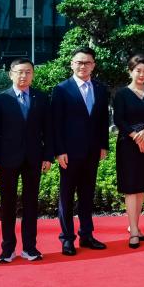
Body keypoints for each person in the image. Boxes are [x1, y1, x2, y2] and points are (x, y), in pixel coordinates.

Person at [0, 57, 51, 263]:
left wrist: (47, 156)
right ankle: (7, 249)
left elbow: (48, 130)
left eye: (28, 72)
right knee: (8, 204)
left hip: (33, 158)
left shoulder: (41, 98)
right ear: (11, 74)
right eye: (19, 72)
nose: (23, 76)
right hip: (7, 159)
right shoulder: (0, 99)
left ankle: (30, 248)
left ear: (33, 75)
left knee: (31, 203)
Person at [50, 47, 110, 256]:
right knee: (67, 196)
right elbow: (56, 123)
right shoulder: (61, 89)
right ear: (72, 64)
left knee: (87, 194)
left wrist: (103, 145)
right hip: (69, 153)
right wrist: (59, 151)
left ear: (93, 65)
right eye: (79, 62)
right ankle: (67, 239)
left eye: (87, 63)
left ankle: (86, 235)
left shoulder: (100, 89)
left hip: (92, 151)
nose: (83, 66)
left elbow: (103, 120)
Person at [112, 54, 144, 249]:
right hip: (128, 144)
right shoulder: (122, 94)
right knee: (130, 187)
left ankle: (136, 225)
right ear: (130, 71)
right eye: (138, 70)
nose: (142, 74)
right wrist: (136, 137)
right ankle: (133, 230)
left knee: (141, 186)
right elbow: (119, 120)